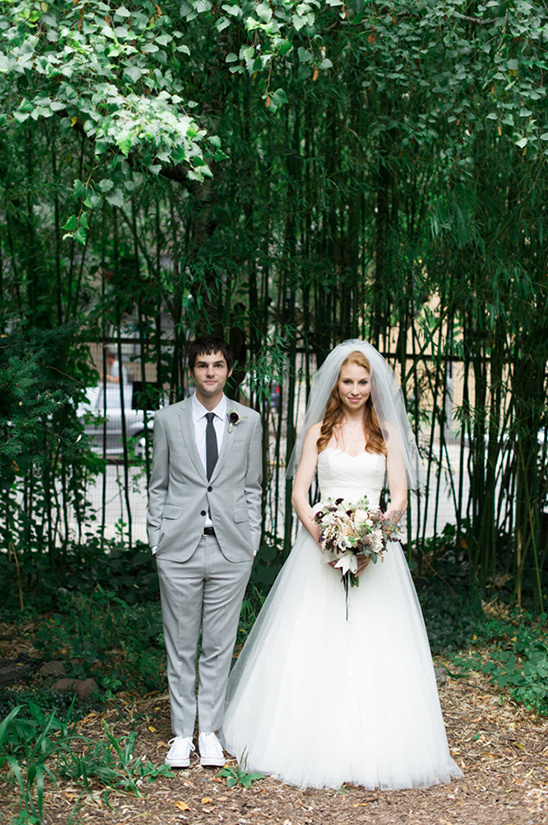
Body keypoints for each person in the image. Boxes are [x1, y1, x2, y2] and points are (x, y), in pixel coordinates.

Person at [221, 339, 462, 790]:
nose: (355, 389)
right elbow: (299, 493)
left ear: (373, 385)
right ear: (337, 384)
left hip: (374, 555)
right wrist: (326, 540)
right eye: (348, 381)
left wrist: (370, 544)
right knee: (311, 643)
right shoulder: (317, 432)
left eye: (363, 381)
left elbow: (399, 497)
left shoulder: (387, 433)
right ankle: (302, 736)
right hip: (321, 551)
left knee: (377, 646)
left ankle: (376, 744)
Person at [147, 336, 262, 769]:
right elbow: (158, 484)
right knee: (180, 645)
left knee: (218, 645)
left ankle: (209, 731)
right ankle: (181, 735)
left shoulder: (247, 420)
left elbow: (252, 487)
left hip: (231, 549)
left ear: (229, 371)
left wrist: (251, 539)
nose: (210, 372)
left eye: (217, 365)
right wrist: (156, 539)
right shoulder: (168, 420)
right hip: (178, 549)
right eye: (202, 365)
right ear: (191, 371)